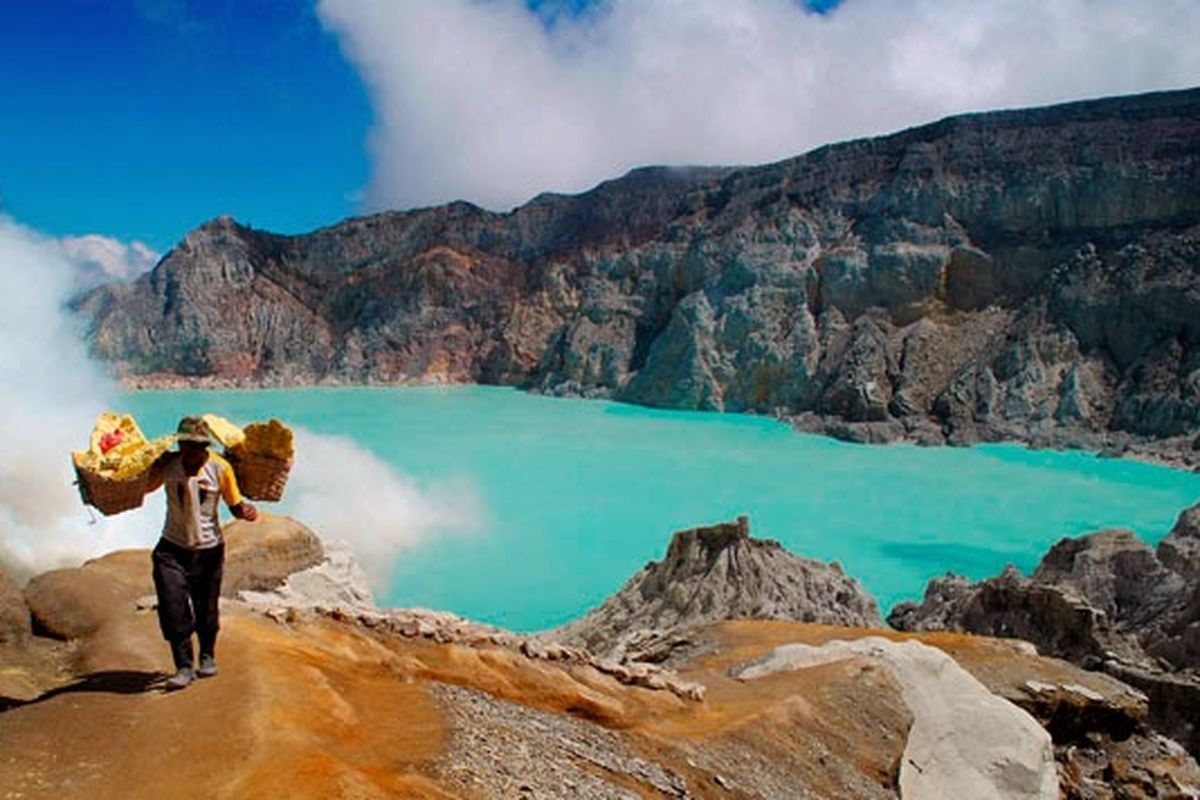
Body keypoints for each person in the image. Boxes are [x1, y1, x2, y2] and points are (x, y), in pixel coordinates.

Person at [145, 416, 258, 690]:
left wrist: (246, 512)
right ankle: (183, 666)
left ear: (206, 446)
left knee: (206, 607)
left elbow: (234, 504)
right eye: (186, 445)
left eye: (197, 446)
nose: (191, 452)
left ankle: (207, 654)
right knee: (173, 606)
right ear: (180, 444)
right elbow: (145, 488)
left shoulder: (220, 469)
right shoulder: (169, 466)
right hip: (171, 547)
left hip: (208, 550)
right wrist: (150, 466)